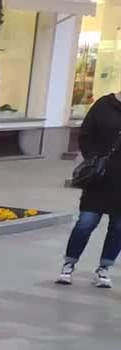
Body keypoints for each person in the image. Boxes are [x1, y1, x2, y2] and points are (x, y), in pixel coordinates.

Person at [57, 92, 121, 289]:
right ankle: (69, 264)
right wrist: (92, 157)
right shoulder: (104, 104)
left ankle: (104, 269)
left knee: (118, 227)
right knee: (86, 222)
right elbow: (86, 134)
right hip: (99, 178)